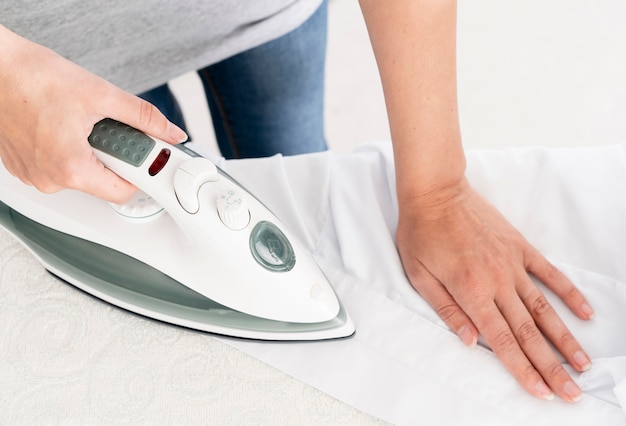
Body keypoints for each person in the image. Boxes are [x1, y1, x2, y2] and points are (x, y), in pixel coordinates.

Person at [0, 0, 594, 402]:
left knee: (293, 154)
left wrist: (435, 190)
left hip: (265, 16)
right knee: (151, 160)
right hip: (52, 61)